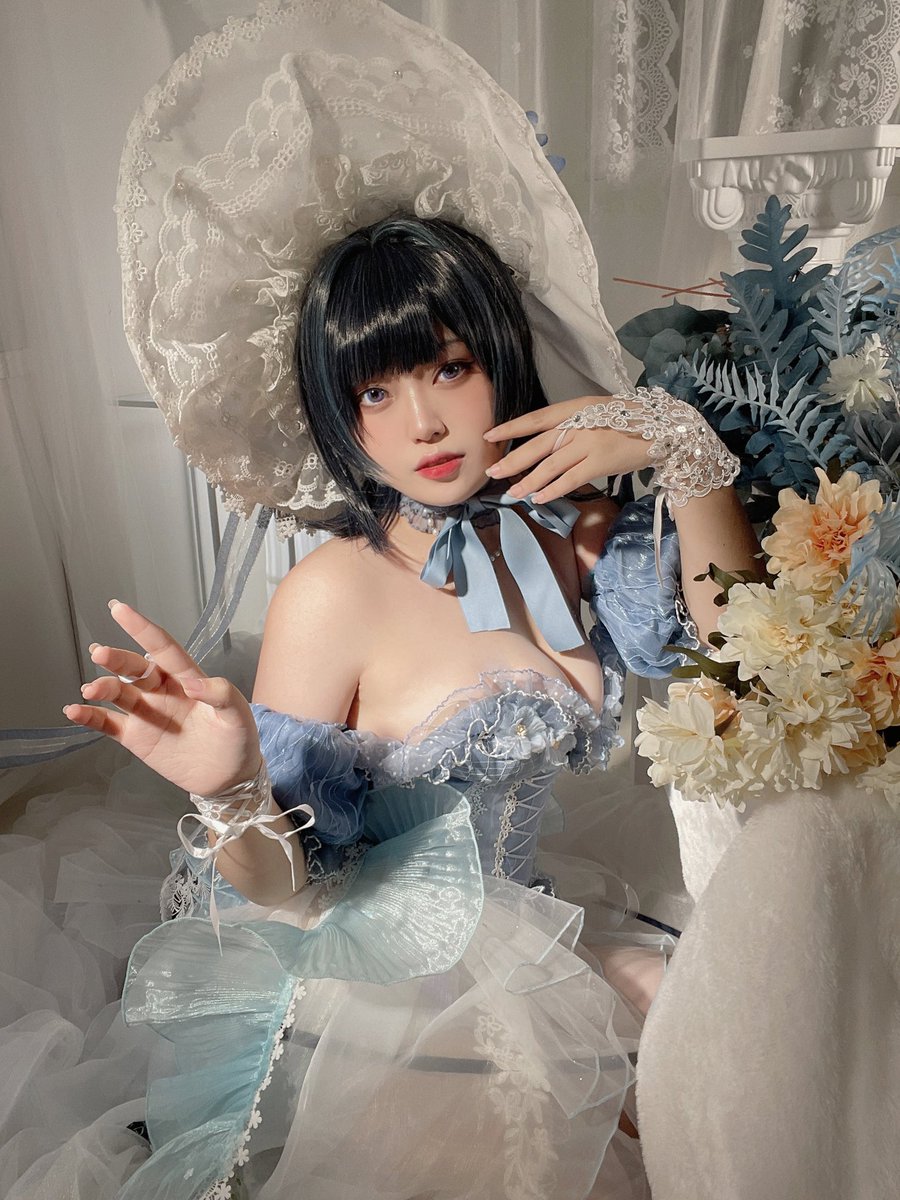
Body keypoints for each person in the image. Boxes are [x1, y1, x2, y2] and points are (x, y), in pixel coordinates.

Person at [0, 5, 763, 1198]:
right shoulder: (333, 593)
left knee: (722, 1045)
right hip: (371, 980)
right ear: (336, 413)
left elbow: (749, 671)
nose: (423, 423)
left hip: (534, 934)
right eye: (374, 391)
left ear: (499, 360)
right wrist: (233, 788)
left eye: (449, 367)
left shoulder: (566, 539)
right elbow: (289, 897)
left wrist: (686, 450)